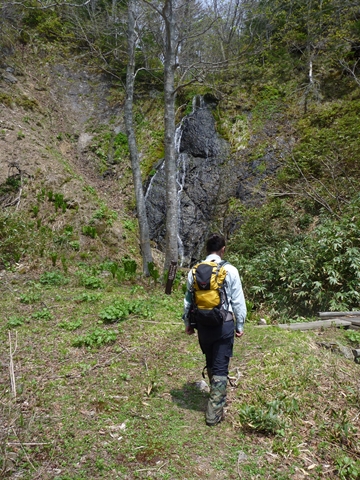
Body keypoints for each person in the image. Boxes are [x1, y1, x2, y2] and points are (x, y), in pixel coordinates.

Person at [182, 233, 246, 426]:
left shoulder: (193, 271)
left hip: (203, 324)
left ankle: (215, 396)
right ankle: (214, 413)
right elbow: (238, 301)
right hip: (224, 323)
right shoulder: (230, 270)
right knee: (220, 365)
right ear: (223, 249)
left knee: (210, 360)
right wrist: (240, 324)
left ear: (206, 250)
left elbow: (188, 301)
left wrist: (188, 324)